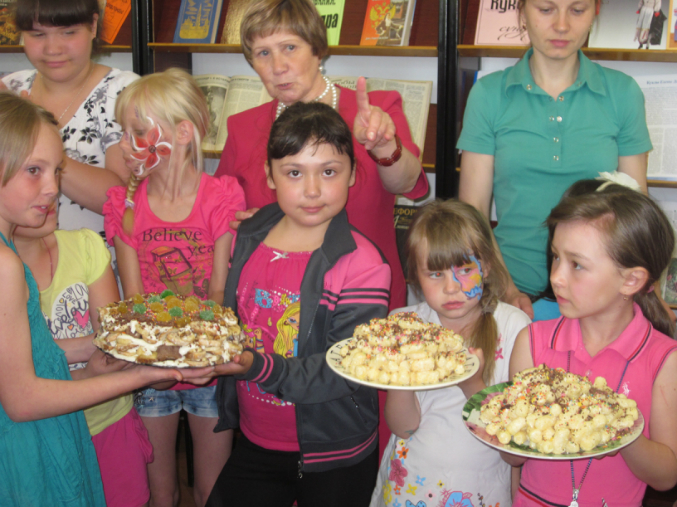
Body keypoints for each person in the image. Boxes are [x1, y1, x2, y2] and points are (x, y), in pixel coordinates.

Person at [215, 0, 428, 456]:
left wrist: (385, 147)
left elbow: (410, 184)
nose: (278, 65)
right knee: (277, 421)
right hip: (277, 312)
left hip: (363, 301)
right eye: (263, 53)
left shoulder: (372, 110)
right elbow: (225, 215)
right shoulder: (243, 128)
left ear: (317, 48)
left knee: (363, 423)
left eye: (290, 47)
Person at [0, 93, 208, 506]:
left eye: (57, 170)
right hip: (25, 446)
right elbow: (23, 400)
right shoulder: (6, 265)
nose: (52, 188)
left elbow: (30, 359)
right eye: (33, 170)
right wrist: (142, 376)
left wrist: (122, 349)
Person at [206, 102, 391, 507]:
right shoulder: (248, 235)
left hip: (336, 450)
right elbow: (231, 314)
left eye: (329, 172)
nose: (311, 190)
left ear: (352, 174)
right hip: (255, 438)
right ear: (269, 175)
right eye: (294, 172)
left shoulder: (363, 265)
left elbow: (346, 368)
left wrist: (256, 366)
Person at [457, 0, 652, 321]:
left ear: (595, 12)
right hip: (512, 290)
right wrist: (506, 289)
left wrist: (646, 296)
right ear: (522, 12)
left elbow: (636, 210)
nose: (562, 25)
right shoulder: (489, 95)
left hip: (600, 298)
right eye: (546, 9)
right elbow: (473, 212)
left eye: (577, 10)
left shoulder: (622, 92)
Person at [103, 68, 246, 507]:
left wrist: (199, 360)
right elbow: (135, 302)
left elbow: (219, 293)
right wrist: (157, 364)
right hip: (151, 372)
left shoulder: (220, 198)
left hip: (208, 370)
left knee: (211, 490)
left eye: (136, 133)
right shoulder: (124, 206)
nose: (123, 145)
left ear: (182, 133)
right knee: (159, 492)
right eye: (122, 133)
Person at [507, 179, 677, 507]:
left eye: (577, 264)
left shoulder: (663, 360)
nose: (556, 277)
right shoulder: (532, 342)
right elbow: (512, 457)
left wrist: (619, 429)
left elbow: (666, 475)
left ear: (631, 279)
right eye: (556, 257)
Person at [370, 200, 531, 507]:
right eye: (435, 274)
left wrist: (473, 385)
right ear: (415, 276)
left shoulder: (514, 328)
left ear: (487, 266)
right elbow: (404, 427)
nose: (452, 287)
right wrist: (400, 370)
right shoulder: (404, 325)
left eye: (465, 270)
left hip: (480, 493)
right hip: (409, 490)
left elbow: (515, 453)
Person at [13, 203, 153, 507]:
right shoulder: (6, 276)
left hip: (110, 421)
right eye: (33, 177)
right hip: (43, 435)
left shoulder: (85, 246)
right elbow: (19, 385)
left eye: (54, 177)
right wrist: (90, 364)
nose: (51, 190)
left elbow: (111, 345)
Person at [4, 0, 138, 231]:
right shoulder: (10, 89)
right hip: (18, 252)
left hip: (96, 252)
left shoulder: (126, 93)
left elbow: (123, 199)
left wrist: (37, 145)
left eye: (68, 32)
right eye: (37, 35)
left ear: (93, 26)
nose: (53, 49)